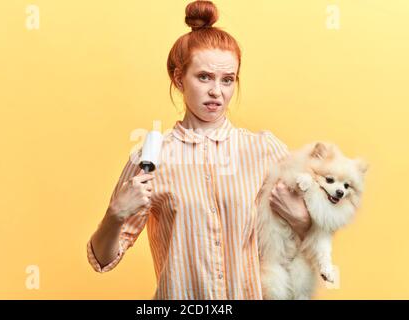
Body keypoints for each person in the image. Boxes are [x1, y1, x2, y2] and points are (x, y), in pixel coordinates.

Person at [87, 0, 311, 300]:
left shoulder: (264, 149)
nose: (216, 91)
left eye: (227, 80)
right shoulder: (150, 158)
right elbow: (103, 260)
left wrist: (301, 218)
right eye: (204, 76)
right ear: (179, 78)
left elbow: (316, 232)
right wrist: (115, 215)